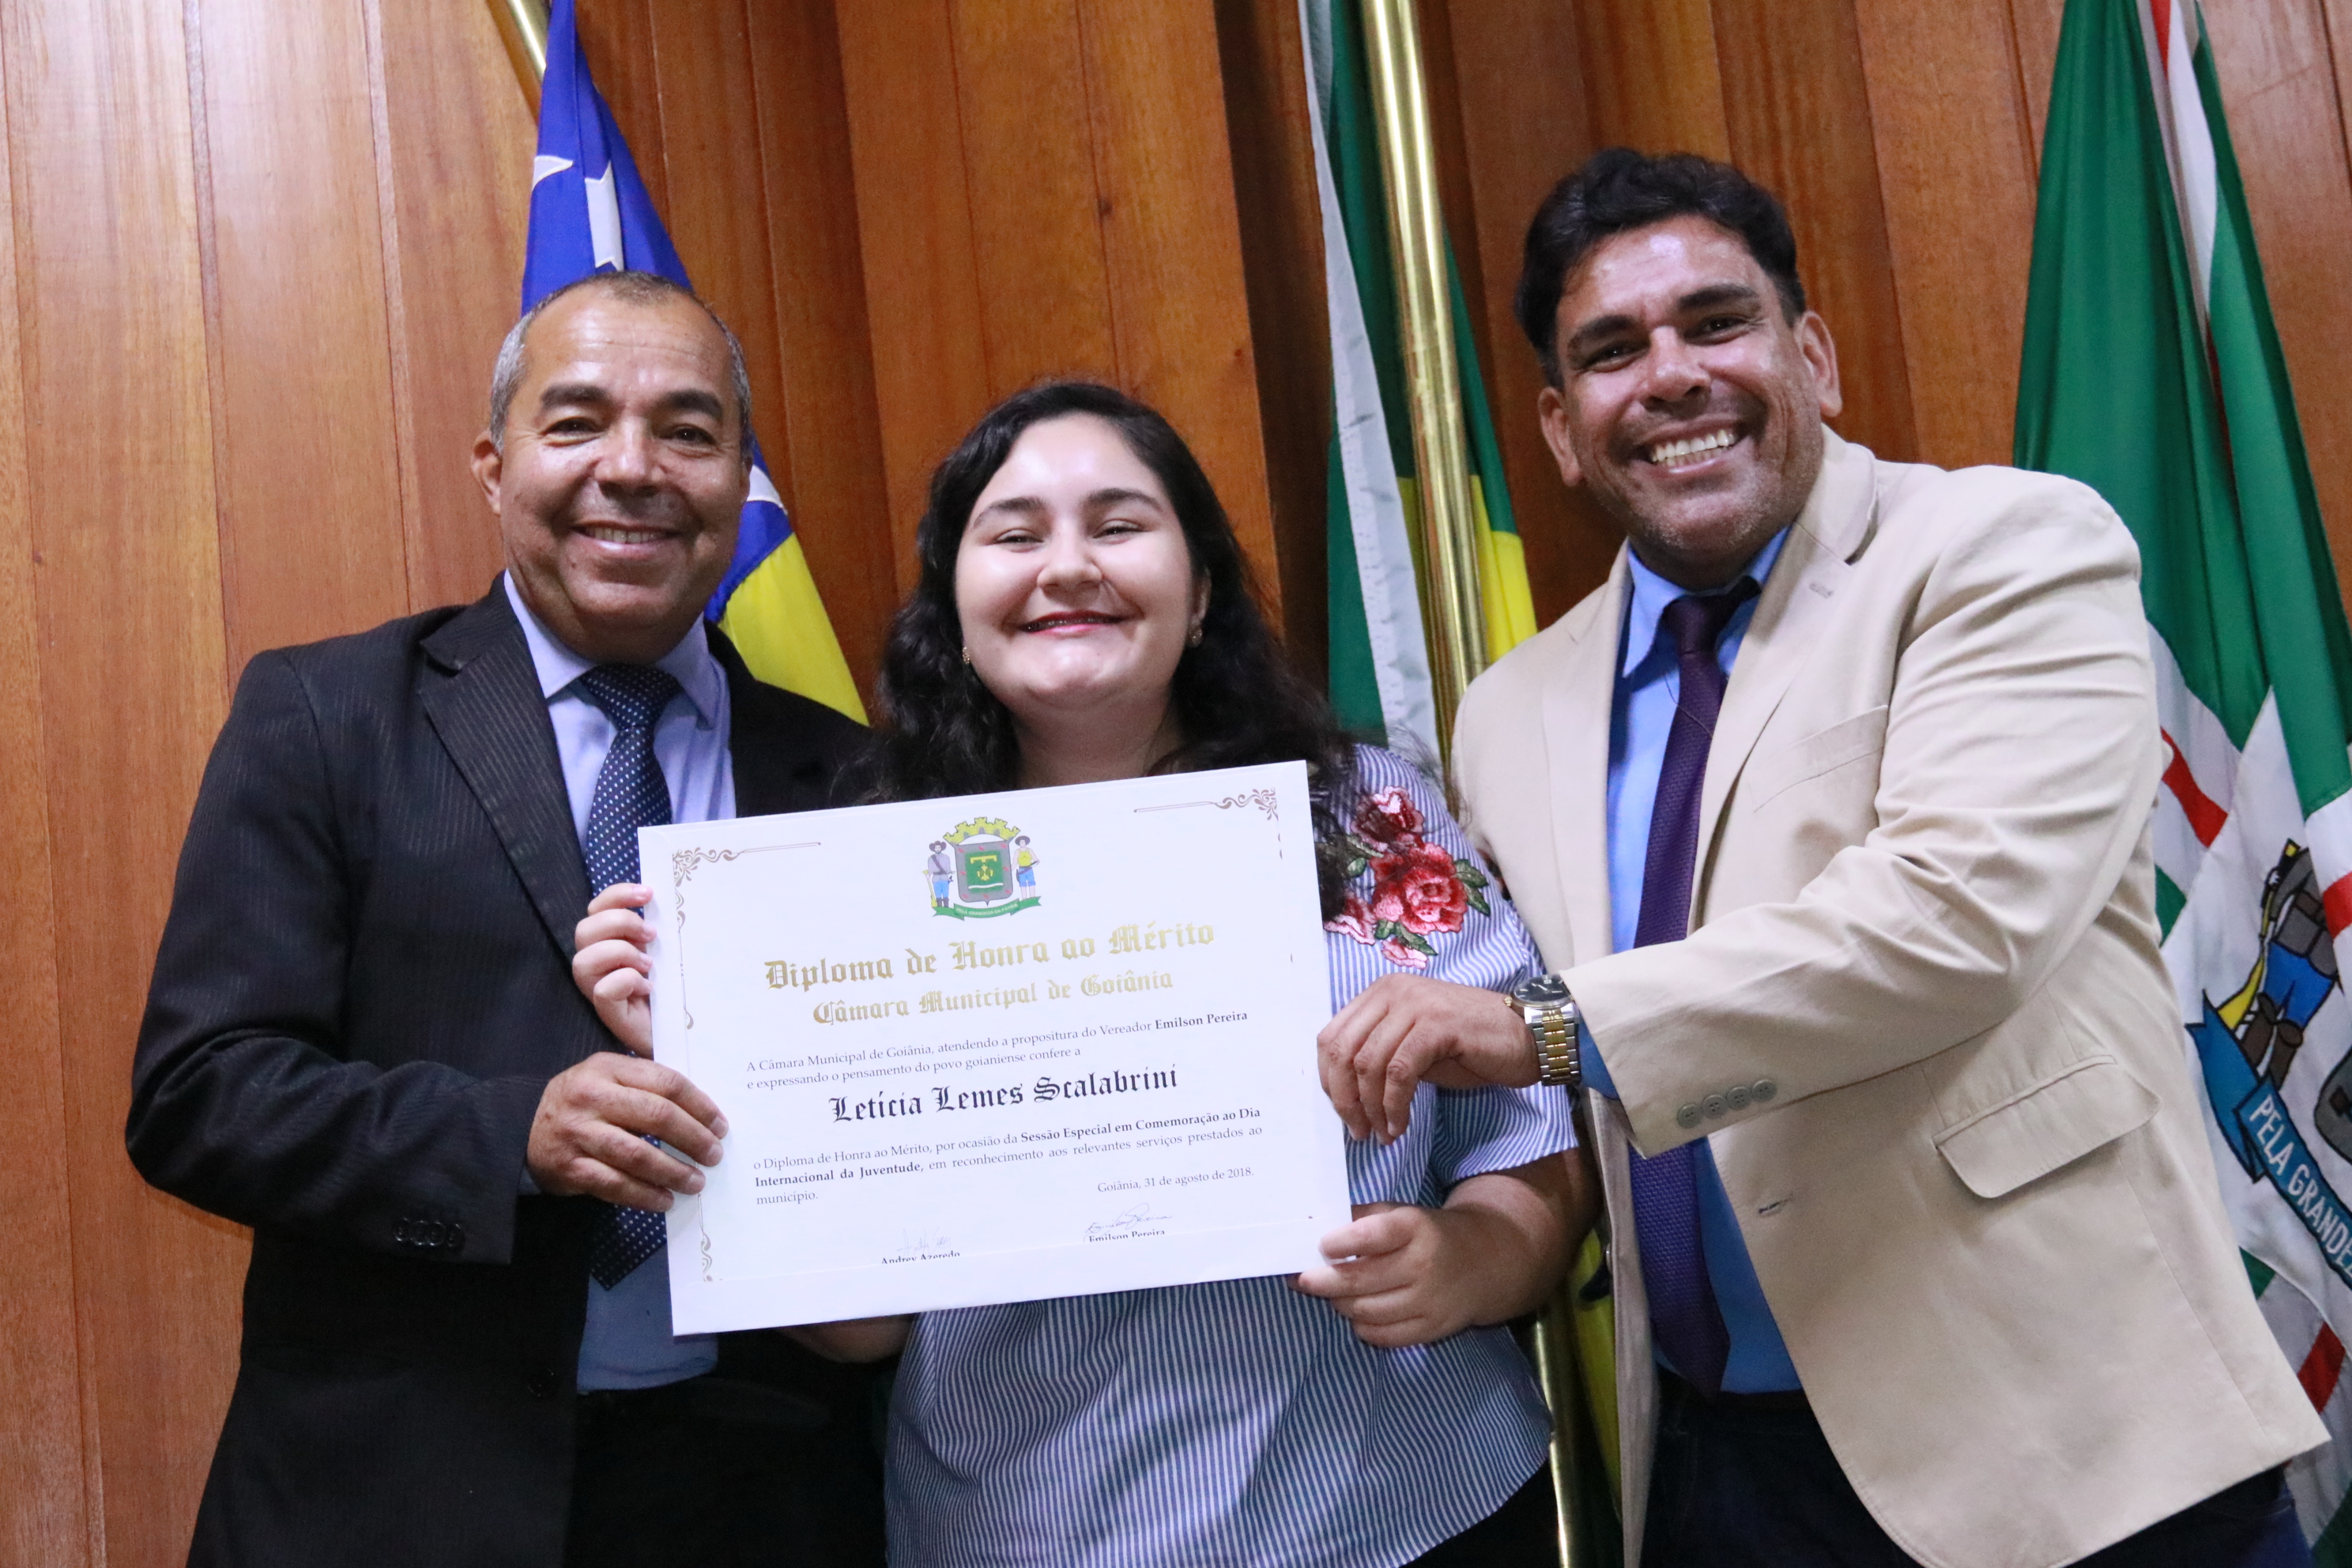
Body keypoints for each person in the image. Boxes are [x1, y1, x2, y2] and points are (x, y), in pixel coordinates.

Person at [1316, 149, 2326, 1568]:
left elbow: (1955, 924)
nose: (1670, 377)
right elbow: (1564, 1108)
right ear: (1560, 429)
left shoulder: (2001, 549)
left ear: (1815, 357)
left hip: (2065, 1440)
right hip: (1720, 1466)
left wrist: (1540, 1030)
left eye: (1716, 323)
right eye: (1611, 351)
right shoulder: (1509, 711)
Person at [575, 380, 1582, 1566]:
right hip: (1023, 1525)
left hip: (1400, 1505)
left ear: (1199, 594)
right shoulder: (843, 884)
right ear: (955, 609)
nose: (1067, 568)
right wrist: (700, 1063)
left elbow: (1536, 1140)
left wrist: (1469, 1263)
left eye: (1118, 525)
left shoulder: (1368, 814)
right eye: (1014, 536)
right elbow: (860, 1332)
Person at [126, 270, 880, 1568]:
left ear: (739, 477)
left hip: (757, 1496)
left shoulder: (855, 777)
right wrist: (509, 1135)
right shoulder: (328, 716)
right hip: (394, 1496)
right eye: (577, 422)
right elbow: (199, 1095)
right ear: (494, 466)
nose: (632, 469)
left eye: (689, 431)